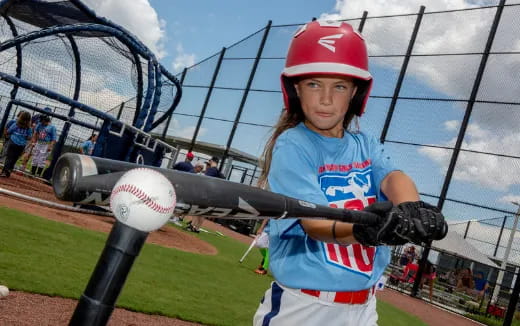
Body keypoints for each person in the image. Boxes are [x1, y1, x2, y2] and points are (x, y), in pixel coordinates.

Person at [252, 20, 447, 326]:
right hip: (305, 308)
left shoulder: (365, 144)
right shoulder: (293, 145)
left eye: (339, 86)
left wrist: (411, 208)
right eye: (314, 84)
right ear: (296, 89)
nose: (326, 98)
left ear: (355, 92)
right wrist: (361, 230)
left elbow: (394, 177)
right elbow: (315, 222)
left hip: (364, 308)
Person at [1, 112, 32, 177]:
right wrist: (24, 136)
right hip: (21, 145)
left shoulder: (16, 124)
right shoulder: (29, 128)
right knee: (15, 158)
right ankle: (9, 170)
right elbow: (29, 137)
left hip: (13, 142)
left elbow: (8, 131)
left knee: (9, 157)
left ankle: (5, 171)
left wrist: (8, 135)